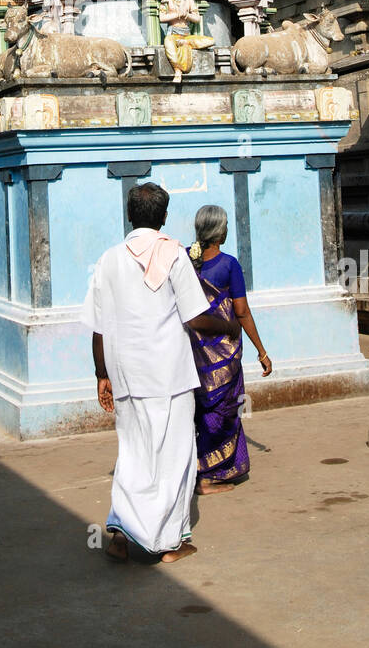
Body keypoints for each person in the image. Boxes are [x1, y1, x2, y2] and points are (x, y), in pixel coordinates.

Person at [82, 182, 240, 565]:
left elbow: (98, 327)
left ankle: (120, 534)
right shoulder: (173, 254)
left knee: (133, 453)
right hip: (167, 374)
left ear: (130, 216)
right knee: (173, 456)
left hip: (126, 374)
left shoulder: (109, 259)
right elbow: (196, 316)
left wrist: (101, 374)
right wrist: (229, 326)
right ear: (165, 217)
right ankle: (169, 542)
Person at [187, 204, 272, 495]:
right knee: (223, 412)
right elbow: (242, 310)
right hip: (224, 353)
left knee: (198, 411)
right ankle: (209, 475)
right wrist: (261, 350)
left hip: (191, 353)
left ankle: (197, 469)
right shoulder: (229, 264)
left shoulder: (185, 260)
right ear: (219, 233)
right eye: (224, 226)